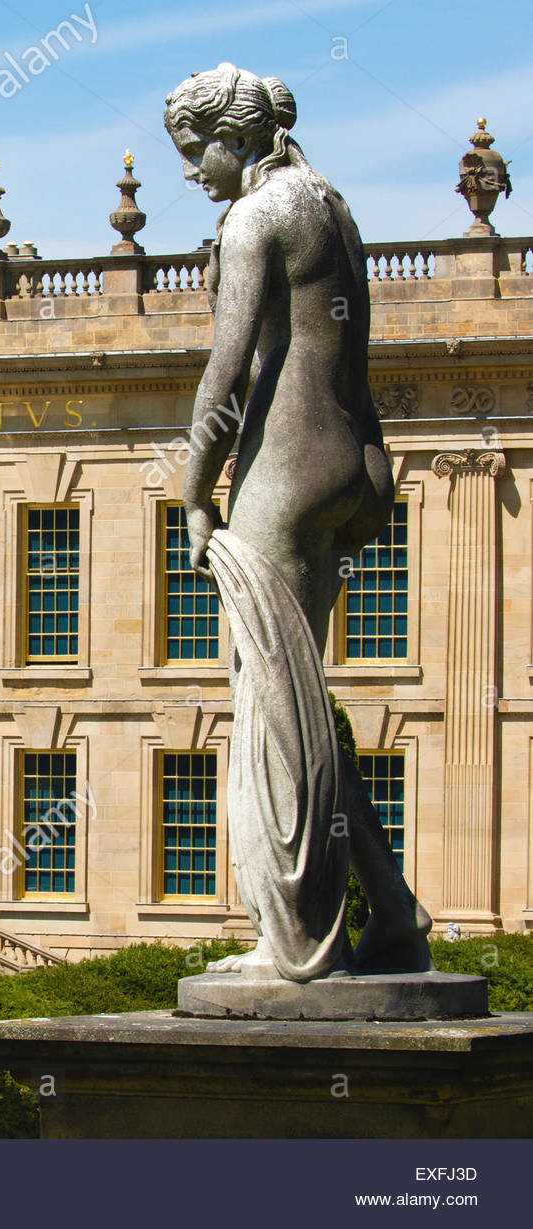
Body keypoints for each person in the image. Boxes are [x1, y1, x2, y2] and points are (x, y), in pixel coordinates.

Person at [165, 63, 431, 980]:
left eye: (197, 151)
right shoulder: (331, 204)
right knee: (302, 699)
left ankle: (297, 948)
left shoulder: (255, 215)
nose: (194, 172)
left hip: (283, 470)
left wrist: (195, 489)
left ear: (234, 136)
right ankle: (392, 912)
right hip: (355, 461)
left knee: (267, 703)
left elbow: (227, 371)